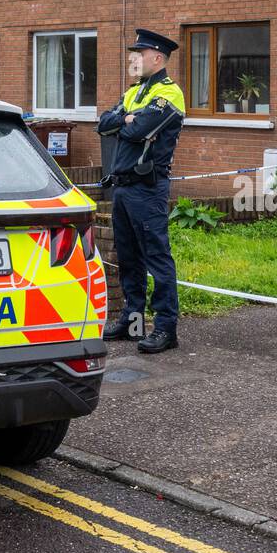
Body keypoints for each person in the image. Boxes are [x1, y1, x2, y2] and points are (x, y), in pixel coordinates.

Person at [96, 29, 186, 354]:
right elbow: (103, 123)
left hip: (147, 189)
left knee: (157, 258)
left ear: (157, 57)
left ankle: (166, 329)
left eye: (140, 53)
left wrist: (127, 121)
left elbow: (136, 131)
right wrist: (126, 116)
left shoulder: (170, 94)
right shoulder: (134, 92)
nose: (134, 58)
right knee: (129, 259)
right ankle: (133, 324)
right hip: (122, 188)